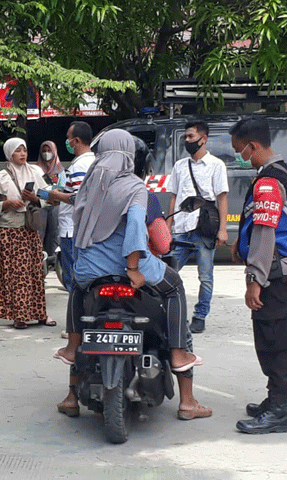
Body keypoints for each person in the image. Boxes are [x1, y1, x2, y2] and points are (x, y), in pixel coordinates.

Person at [54, 129, 211, 421]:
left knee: (77, 289)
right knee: (175, 287)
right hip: (128, 268)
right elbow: (140, 229)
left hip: (90, 270)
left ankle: (73, 350)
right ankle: (178, 357)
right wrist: (133, 268)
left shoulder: (89, 184)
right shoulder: (135, 188)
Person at [230, 116, 287, 434]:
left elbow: (265, 233)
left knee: (276, 341)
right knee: (278, 337)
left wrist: (254, 281)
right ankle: (275, 400)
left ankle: (279, 411)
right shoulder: (283, 173)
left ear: (253, 146)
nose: (238, 155)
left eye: (239, 150)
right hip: (285, 272)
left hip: (274, 275)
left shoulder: (269, 181)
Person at [165, 120, 229, 333]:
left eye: (191, 137)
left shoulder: (216, 165)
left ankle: (200, 316)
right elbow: (174, 197)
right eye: (185, 137)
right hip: (182, 228)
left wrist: (222, 230)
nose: (187, 140)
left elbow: (221, 199)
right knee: (168, 271)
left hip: (204, 228)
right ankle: (168, 311)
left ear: (204, 139)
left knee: (206, 276)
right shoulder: (179, 166)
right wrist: (168, 225)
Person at [0, 137, 54, 329]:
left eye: (24, 150)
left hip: (30, 228)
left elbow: (48, 198)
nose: (22, 154)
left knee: (35, 272)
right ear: (9, 154)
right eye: (18, 150)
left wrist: (34, 198)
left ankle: (40, 313)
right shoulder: (0, 178)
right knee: (15, 274)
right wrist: (7, 204)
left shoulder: (35, 172)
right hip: (9, 230)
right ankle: (19, 316)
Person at [48, 121, 95, 293]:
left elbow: (79, 198)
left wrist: (55, 195)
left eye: (68, 138)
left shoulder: (80, 165)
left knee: (73, 278)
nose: (67, 142)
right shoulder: (91, 161)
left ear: (76, 141)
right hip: (82, 226)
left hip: (72, 228)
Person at [35, 140, 64, 257]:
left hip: (56, 206)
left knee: (54, 233)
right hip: (41, 205)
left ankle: (52, 259)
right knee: (39, 233)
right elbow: (35, 190)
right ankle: (37, 258)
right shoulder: (36, 170)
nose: (46, 153)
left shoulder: (60, 170)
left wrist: (53, 197)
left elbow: (62, 188)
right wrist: (48, 197)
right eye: (44, 151)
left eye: (49, 151)